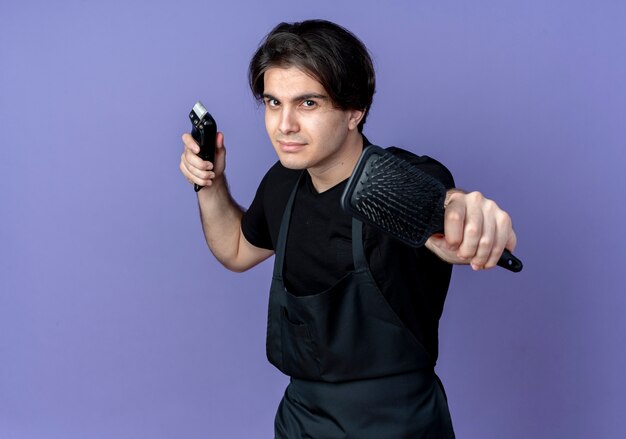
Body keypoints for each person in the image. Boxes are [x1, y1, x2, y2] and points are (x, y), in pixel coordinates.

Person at [179, 19, 516, 439]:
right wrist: (209, 184)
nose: (284, 125)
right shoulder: (283, 182)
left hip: (396, 424)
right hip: (302, 419)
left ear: (354, 111)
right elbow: (234, 249)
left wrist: (468, 211)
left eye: (308, 104)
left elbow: (448, 204)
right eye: (272, 103)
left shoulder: (397, 179)